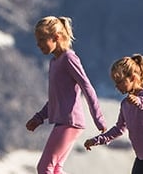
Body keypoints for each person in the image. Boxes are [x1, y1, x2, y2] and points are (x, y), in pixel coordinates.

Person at [25, 15, 107, 174]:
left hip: (70, 122)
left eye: (42, 39)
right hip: (63, 122)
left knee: (44, 167)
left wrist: (98, 118)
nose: (38, 44)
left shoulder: (69, 58)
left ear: (56, 37)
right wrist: (39, 118)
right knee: (56, 168)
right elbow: (56, 98)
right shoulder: (55, 62)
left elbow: (86, 86)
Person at [82, 54, 143, 174]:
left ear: (132, 78)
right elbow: (119, 129)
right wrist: (97, 140)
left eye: (119, 82)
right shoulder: (125, 104)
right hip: (142, 157)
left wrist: (138, 101)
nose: (116, 86)